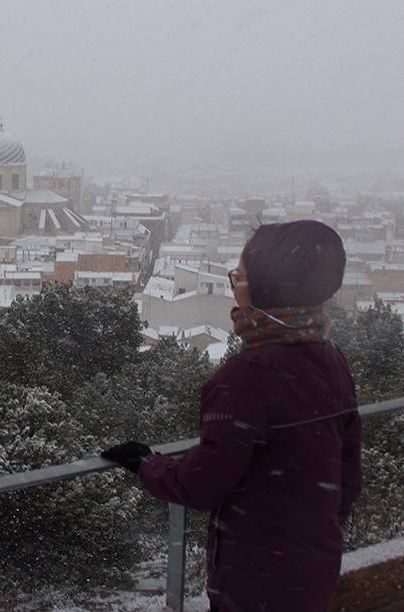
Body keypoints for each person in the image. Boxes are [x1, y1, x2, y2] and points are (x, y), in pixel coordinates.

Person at [102, 220, 362, 612]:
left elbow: (203, 483)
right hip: (314, 566)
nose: (234, 287)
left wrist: (147, 466)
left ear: (265, 287)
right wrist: (313, 533)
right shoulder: (331, 360)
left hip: (255, 576)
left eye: (239, 277)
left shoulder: (245, 377)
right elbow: (348, 478)